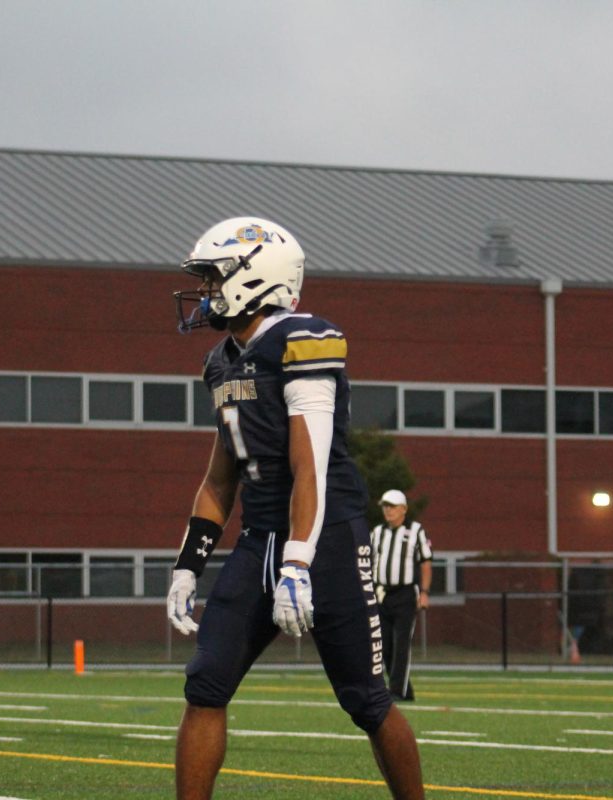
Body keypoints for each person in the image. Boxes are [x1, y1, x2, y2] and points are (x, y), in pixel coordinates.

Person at [167, 217, 424, 799]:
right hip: (260, 537)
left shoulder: (304, 339)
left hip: (327, 537)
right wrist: (188, 564)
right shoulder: (222, 361)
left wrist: (299, 563)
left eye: (214, 279)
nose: (206, 293)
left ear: (255, 277)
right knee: (205, 684)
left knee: (366, 699)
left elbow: (309, 465)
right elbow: (219, 476)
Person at [370, 490, 433, 702]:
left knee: (402, 643)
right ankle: (405, 690)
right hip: (382, 594)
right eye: (385, 506)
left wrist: (424, 592)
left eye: (392, 506)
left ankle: (396, 690)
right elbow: (370, 562)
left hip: (405, 593)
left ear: (403, 509)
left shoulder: (415, 531)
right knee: (385, 645)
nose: (387, 510)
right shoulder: (377, 532)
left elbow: (426, 562)